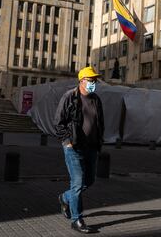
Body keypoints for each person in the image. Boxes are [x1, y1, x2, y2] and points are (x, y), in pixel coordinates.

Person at [54, 66, 104, 234]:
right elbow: (59, 123)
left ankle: (64, 198)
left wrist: (99, 143)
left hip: (91, 148)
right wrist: (67, 142)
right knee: (77, 183)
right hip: (74, 148)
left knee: (89, 181)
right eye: (91, 80)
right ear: (82, 81)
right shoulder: (70, 97)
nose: (94, 83)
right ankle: (77, 220)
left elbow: (100, 123)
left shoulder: (96, 99)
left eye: (95, 81)